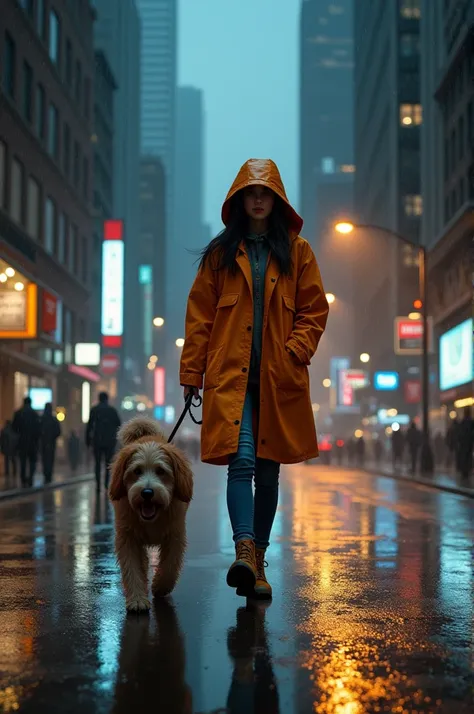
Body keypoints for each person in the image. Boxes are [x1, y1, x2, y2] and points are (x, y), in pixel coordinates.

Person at [180, 158, 329, 600]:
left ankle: (258, 562)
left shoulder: (299, 253)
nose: (259, 199)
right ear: (240, 199)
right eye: (252, 192)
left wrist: (295, 351)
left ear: (277, 200)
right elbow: (200, 317)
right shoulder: (220, 256)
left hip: (278, 380)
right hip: (230, 379)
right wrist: (192, 371)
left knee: (268, 473)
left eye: (266, 192)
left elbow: (314, 311)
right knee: (241, 462)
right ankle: (244, 551)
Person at [86, 391, 121, 490]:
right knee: (108, 464)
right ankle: (106, 484)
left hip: (97, 441)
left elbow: (89, 427)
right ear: (107, 399)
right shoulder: (112, 410)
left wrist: (88, 441)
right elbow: (118, 424)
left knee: (97, 463)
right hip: (109, 441)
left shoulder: (94, 410)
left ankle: (98, 485)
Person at [12, 396, 41, 487]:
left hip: (22, 441)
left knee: (23, 461)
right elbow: (38, 429)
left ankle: (23, 478)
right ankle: (30, 478)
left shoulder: (18, 413)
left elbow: (14, 428)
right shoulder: (34, 414)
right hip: (32, 442)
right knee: (32, 461)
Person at [40, 403, 61, 483]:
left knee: (44, 458)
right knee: (50, 459)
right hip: (52, 443)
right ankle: (49, 474)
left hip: (43, 442)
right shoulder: (54, 419)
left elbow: (38, 430)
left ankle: (46, 474)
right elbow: (58, 431)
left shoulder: (42, 419)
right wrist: (53, 437)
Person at [456, 407, 473, 481]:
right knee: (468, 457)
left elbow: (459, 434)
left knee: (464, 457)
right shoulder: (471, 422)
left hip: (463, 444)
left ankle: (464, 471)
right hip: (469, 443)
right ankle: (467, 471)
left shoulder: (462, 422)